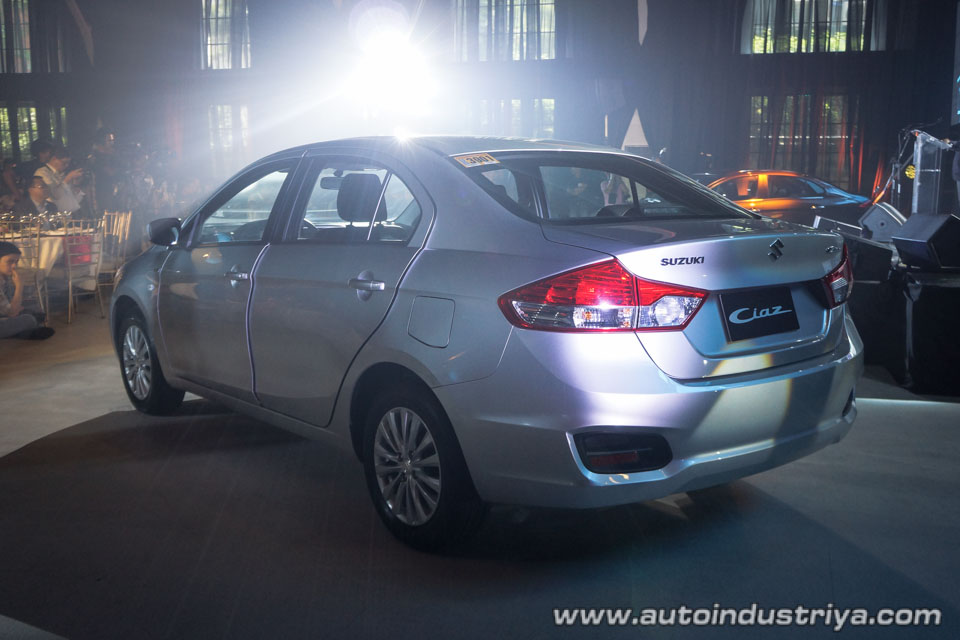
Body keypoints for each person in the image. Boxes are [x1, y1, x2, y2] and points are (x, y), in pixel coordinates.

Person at [0, 242, 54, 340]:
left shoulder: (4, 277)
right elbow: (11, 311)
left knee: (35, 310)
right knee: (29, 319)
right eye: (10, 261)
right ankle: (27, 332)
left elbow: (9, 305)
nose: (14, 266)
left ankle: (24, 332)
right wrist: (19, 286)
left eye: (16, 262)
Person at [35, 147, 84, 215]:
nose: (66, 166)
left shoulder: (62, 174)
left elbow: (73, 200)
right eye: (64, 163)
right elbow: (55, 195)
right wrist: (68, 178)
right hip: (53, 214)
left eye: (68, 163)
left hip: (69, 214)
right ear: (54, 159)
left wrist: (76, 185)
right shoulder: (42, 173)